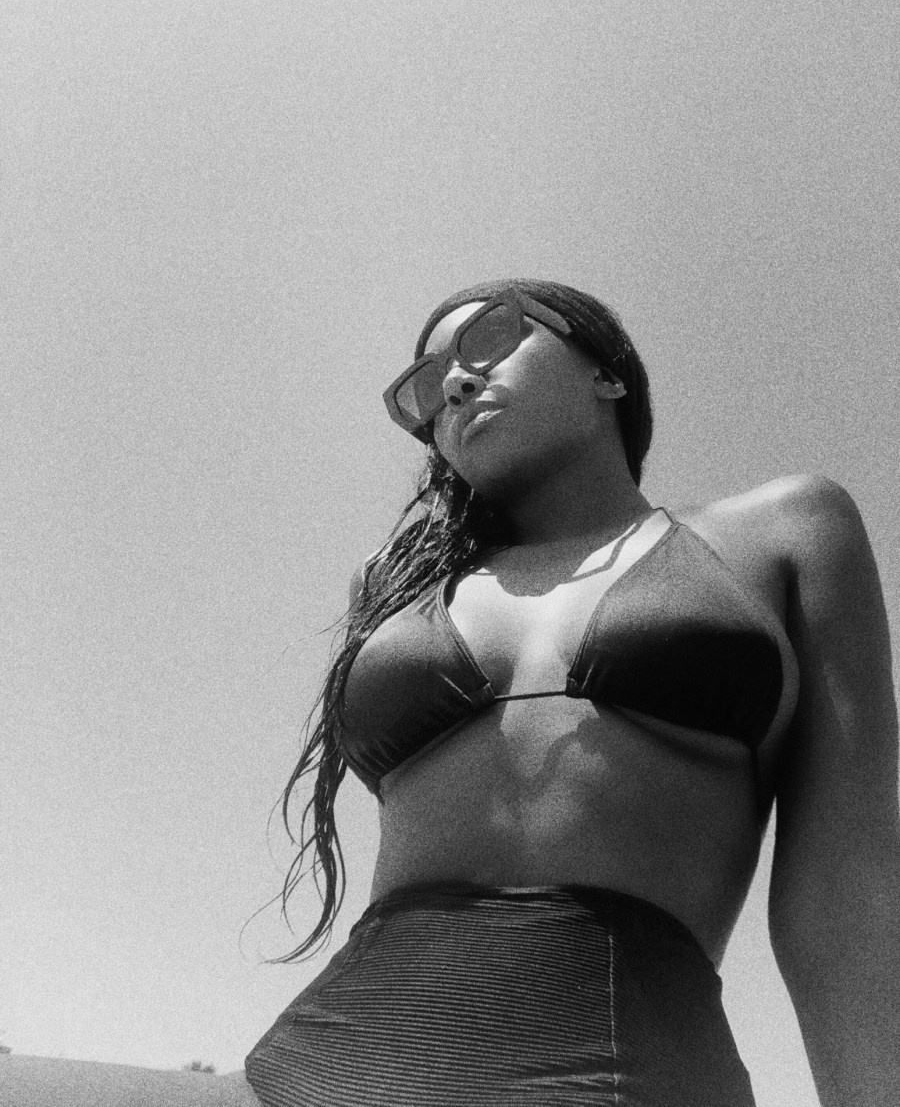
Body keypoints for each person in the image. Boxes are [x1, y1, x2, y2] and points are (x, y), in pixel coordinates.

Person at [243, 278, 900, 1107]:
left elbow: (847, 892)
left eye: (490, 338)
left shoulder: (786, 531)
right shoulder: (392, 590)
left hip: (622, 1073)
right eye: (424, 388)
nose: (455, 383)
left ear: (608, 373)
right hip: (313, 1067)